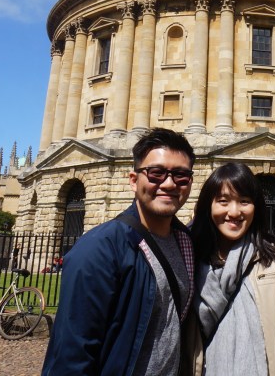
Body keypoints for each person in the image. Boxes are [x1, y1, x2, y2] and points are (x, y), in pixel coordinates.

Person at [42, 128, 197, 375]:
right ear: (134, 180)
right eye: (156, 173)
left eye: (180, 175)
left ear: (189, 182)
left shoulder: (186, 243)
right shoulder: (99, 249)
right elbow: (71, 356)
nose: (168, 183)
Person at [186, 162, 275, 376]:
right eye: (223, 201)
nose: (234, 212)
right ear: (209, 205)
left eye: (244, 201)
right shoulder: (191, 259)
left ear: (256, 207)